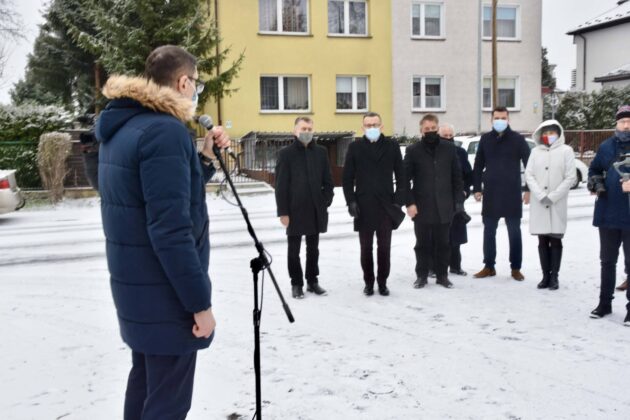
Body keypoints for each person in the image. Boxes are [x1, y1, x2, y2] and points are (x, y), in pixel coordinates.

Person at [96, 45, 230, 419]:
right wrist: (199, 304)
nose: (196, 92)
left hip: (139, 290)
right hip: (166, 295)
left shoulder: (125, 127)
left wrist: (203, 158)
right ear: (183, 82)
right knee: (168, 402)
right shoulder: (164, 132)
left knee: (145, 385)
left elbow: (160, 197)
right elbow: (170, 230)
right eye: (196, 84)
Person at [343, 112, 406, 296]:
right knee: (366, 248)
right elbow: (347, 178)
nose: (372, 128)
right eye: (368, 125)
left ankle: (383, 282)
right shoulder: (355, 147)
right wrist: (351, 201)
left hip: (387, 206)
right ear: (362, 127)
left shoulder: (392, 146)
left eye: (375, 124)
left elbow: (401, 175)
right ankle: (369, 282)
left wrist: (398, 202)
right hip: (363, 206)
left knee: (384, 247)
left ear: (382, 126)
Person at [275, 117, 334, 299]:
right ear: (295, 131)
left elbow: (328, 181)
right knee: (294, 251)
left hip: (316, 209)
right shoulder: (286, 154)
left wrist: (326, 200)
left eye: (309, 128)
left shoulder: (321, 152)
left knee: (313, 249)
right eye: (303, 128)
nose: (306, 131)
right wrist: (283, 212)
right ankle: (296, 283)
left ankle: (312, 281)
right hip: (294, 210)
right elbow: (281, 186)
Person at [405, 115, 464, 289]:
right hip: (421, 206)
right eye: (426, 129)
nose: (430, 131)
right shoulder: (413, 150)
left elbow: (457, 177)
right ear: (421, 131)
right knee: (422, 244)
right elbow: (404, 179)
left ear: (437, 129)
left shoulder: (449, 148)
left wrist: (458, 201)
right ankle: (421, 275)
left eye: (433, 129)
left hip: (445, 206)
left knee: (443, 244)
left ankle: (442, 276)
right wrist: (410, 203)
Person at [472, 106, 531, 281]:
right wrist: (476, 188)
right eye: (497, 118)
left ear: (508, 119)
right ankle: (489, 266)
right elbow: (478, 165)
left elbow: (530, 165)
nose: (500, 121)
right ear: (491, 120)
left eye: (503, 118)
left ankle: (515, 268)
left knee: (514, 232)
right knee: (489, 231)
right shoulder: (485, 139)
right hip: (491, 193)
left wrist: (528, 189)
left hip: (512, 193)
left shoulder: (518, 140)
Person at [588, 104, 630, 327]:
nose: (626, 125)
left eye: (629, 121)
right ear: (616, 123)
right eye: (623, 121)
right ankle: (605, 303)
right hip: (608, 212)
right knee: (607, 261)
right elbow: (594, 169)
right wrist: (596, 183)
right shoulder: (606, 146)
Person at [524, 120, 576, 290]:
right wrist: (539, 194)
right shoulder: (535, 152)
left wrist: (553, 196)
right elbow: (529, 174)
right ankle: (545, 275)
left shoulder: (566, 151)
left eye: (552, 133)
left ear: (558, 134)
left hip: (557, 202)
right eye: (545, 134)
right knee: (542, 239)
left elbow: (570, 177)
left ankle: (555, 276)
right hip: (539, 202)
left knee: (555, 240)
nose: (548, 136)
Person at [439, 123, 473, 276]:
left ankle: (455, 266)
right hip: (438, 201)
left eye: (449, 135)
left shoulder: (460, 152)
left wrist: (465, 191)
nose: (447, 138)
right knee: (438, 236)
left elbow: (469, 175)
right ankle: (436, 267)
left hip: (457, 201)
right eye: (444, 135)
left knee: (456, 236)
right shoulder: (435, 153)